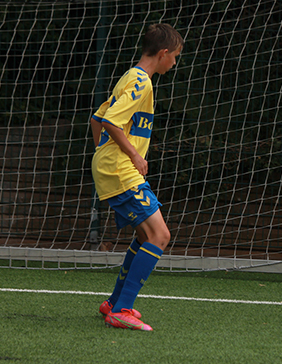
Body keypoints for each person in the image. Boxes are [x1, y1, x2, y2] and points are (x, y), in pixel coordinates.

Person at [90, 23, 184, 331]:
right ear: (163, 53)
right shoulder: (141, 82)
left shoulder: (131, 77)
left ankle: (114, 304)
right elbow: (111, 122)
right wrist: (131, 155)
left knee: (145, 236)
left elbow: (96, 118)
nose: (175, 63)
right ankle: (123, 309)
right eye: (176, 56)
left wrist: (102, 153)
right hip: (121, 169)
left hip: (114, 167)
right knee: (160, 236)